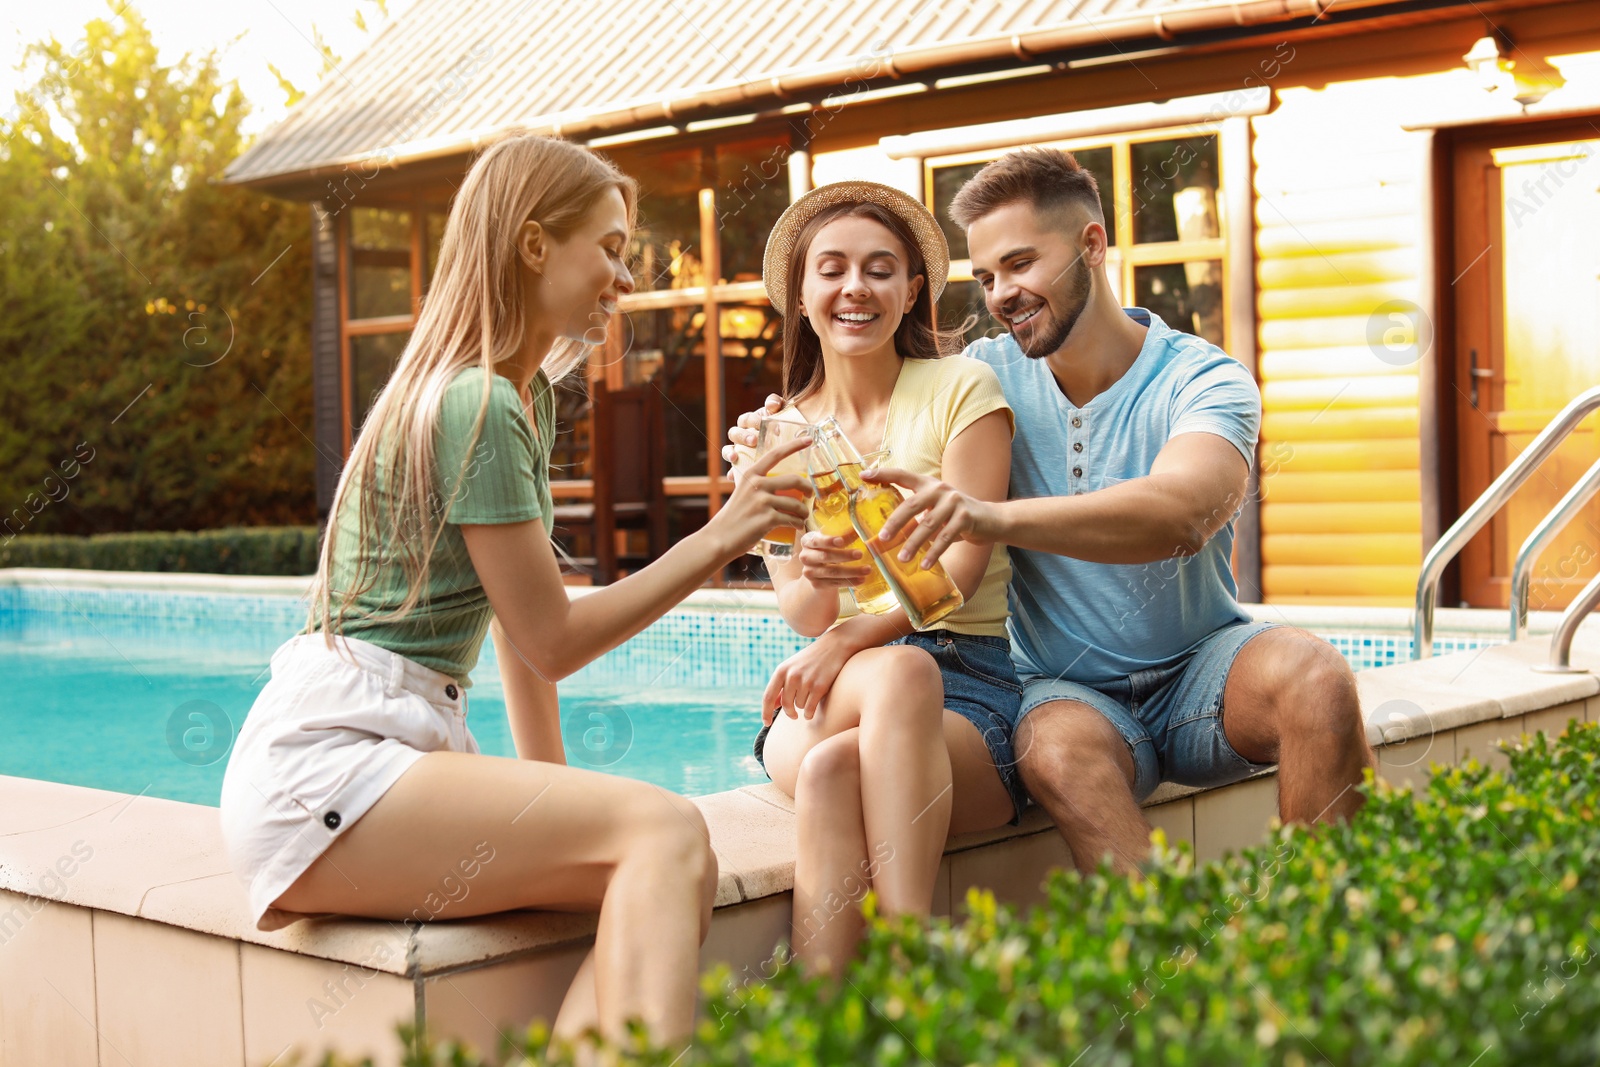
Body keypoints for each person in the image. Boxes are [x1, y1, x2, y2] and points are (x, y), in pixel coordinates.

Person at [219, 134, 811, 1049]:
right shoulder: (478, 403)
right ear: (534, 244)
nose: (625, 273)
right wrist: (726, 532)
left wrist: (557, 793)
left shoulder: (516, 396)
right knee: (665, 829)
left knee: (663, 854)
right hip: (329, 769)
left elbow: (513, 626)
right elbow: (551, 639)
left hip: (377, 752)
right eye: (609, 247)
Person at [730, 149, 1373, 877]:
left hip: (1204, 668)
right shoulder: (983, 378)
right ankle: (1176, 972)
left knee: (1316, 675)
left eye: (1021, 264)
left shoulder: (1202, 375)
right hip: (1061, 691)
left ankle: (1334, 945)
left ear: (1092, 246)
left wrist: (987, 518)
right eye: (986, 277)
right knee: (1057, 752)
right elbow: (869, 381)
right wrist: (775, 434)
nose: (1003, 293)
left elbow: (1184, 513)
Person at [740, 181, 1026, 975]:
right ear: (801, 295)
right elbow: (806, 612)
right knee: (892, 674)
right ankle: (917, 969)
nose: (854, 288)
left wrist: (848, 635)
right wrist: (820, 576)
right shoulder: (775, 436)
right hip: (834, 691)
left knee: (842, 761)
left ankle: (835, 1017)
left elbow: (960, 574)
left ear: (911, 292)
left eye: (878, 269)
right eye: (830, 269)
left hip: (969, 682)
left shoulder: (964, 391)